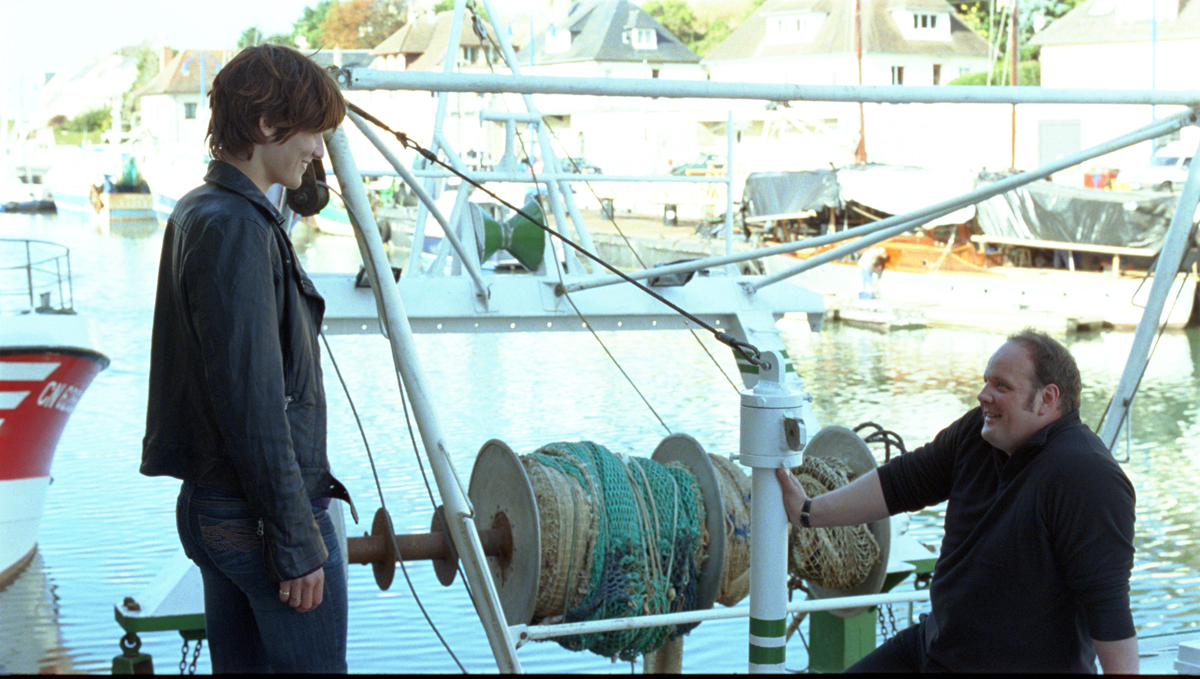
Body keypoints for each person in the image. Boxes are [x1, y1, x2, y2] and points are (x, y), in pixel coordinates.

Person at [142, 44, 353, 673]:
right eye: (314, 132)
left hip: (217, 506)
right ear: (267, 126)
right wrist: (295, 541)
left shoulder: (202, 209)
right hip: (260, 518)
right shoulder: (239, 228)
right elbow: (253, 399)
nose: (320, 151)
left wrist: (299, 172)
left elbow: (301, 191)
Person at [776, 329, 1137, 673]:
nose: (983, 395)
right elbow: (903, 482)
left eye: (1001, 386)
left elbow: (1109, 611)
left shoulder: (1087, 476)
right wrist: (807, 511)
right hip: (937, 647)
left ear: (1047, 398)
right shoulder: (980, 433)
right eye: (986, 381)